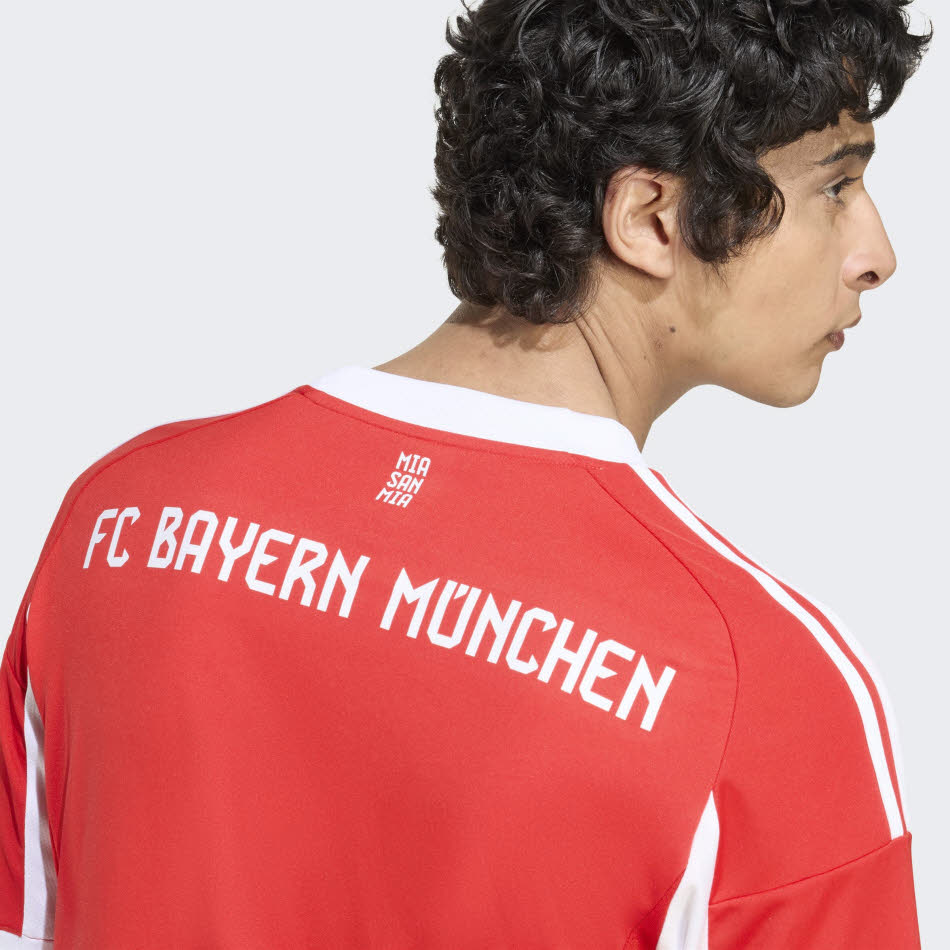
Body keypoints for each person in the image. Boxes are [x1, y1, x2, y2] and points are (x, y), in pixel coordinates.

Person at [0, 1, 933, 947]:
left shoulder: (116, 519)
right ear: (652, 218)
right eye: (838, 184)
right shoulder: (759, 695)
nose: (878, 256)